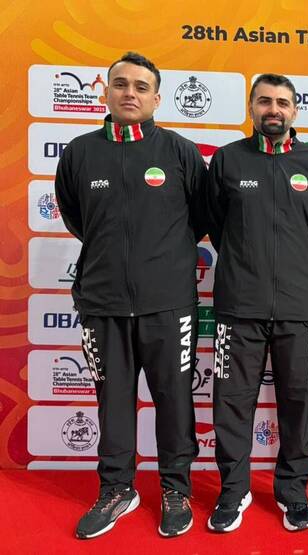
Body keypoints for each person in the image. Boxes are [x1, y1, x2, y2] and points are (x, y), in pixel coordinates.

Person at [55, 51, 205, 539]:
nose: (130, 93)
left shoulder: (180, 152)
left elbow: (202, 218)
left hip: (169, 304)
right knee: (113, 401)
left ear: (157, 99)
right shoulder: (79, 153)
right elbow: (77, 217)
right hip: (103, 303)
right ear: (106, 92)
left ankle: (175, 488)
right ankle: (117, 489)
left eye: (141, 87)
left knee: (175, 401)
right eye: (121, 84)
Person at [204, 73, 308, 532]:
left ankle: (292, 490)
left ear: (295, 110)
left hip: (303, 308)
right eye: (264, 101)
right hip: (239, 306)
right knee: (232, 403)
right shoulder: (227, 160)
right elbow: (217, 225)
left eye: (282, 102)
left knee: (301, 404)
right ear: (251, 107)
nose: (273, 109)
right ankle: (233, 490)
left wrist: (300, 271)